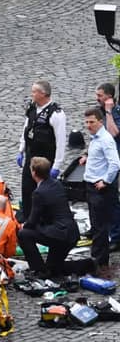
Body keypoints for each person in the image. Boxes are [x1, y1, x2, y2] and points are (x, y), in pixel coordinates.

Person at [17, 157, 79, 278]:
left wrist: (23, 225)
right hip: (70, 232)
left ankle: (39, 270)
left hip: (58, 235)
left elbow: (32, 220)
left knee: (24, 234)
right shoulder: (57, 184)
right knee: (54, 269)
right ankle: (88, 265)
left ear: (34, 172)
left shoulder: (39, 193)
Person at [16, 80, 66, 221]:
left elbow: (61, 141)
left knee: (44, 193)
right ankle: (27, 219)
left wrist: (57, 166)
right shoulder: (32, 108)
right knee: (27, 189)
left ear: (43, 94)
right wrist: (21, 150)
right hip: (31, 156)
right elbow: (26, 129)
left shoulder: (56, 114)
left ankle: (44, 221)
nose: (32, 94)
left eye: (34, 92)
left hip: (46, 158)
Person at [80, 107, 120, 267]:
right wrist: (87, 157)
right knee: (96, 224)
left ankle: (99, 259)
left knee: (100, 226)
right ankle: (98, 257)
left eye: (92, 122)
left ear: (100, 122)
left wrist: (106, 181)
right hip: (92, 186)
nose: (88, 125)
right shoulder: (96, 138)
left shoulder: (105, 139)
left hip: (100, 188)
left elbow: (115, 164)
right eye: (87, 122)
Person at [95, 82, 120, 251]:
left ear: (109, 97)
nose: (97, 98)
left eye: (100, 96)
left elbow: (113, 132)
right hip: (102, 161)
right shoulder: (100, 112)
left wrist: (109, 112)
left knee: (112, 200)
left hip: (114, 160)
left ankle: (116, 236)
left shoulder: (114, 112)